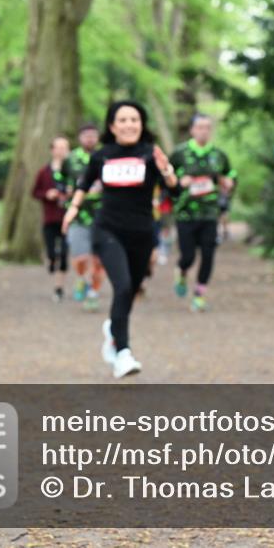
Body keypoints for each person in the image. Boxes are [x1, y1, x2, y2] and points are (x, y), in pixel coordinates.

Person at [62, 101, 181, 379]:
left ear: (142, 124)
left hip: (142, 233)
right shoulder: (102, 155)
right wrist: (73, 209)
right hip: (108, 230)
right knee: (123, 286)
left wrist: (166, 171)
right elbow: (84, 183)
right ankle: (123, 353)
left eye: (134, 119)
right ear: (112, 126)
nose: (129, 125)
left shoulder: (151, 154)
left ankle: (113, 330)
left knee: (130, 291)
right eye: (123, 120)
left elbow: (174, 192)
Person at [169, 114, 237, 312]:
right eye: (199, 127)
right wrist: (179, 183)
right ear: (192, 130)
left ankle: (199, 294)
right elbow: (166, 177)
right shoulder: (180, 153)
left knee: (208, 254)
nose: (204, 131)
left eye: (207, 127)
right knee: (188, 256)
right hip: (185, 213)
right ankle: (182, 270)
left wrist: (229, 182)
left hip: (210, 213)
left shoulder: (218, 154)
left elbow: (230, 174)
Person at [61, 123, 104, 311]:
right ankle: (80, 277)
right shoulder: (70, 159)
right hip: (78, 216)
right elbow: (60, 181)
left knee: (99, 260)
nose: (90, 139)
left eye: (93, 135)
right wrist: (67, 192)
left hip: (102, 215)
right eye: (86, 135)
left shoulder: (105, 157)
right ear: (79, 138)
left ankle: (94, 293)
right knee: (81, 258)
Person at [33, 137, 71, 302]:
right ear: (52, 150)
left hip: (68, 219)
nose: (62, 151)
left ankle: (59, 287)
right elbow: (35, 192)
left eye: (65, 147)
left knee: (63, 253)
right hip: (50, 218)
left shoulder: (73, 171)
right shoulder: (44, 171)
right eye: (59, 147)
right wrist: (47, 194)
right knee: (51, 252)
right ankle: (51, 260)